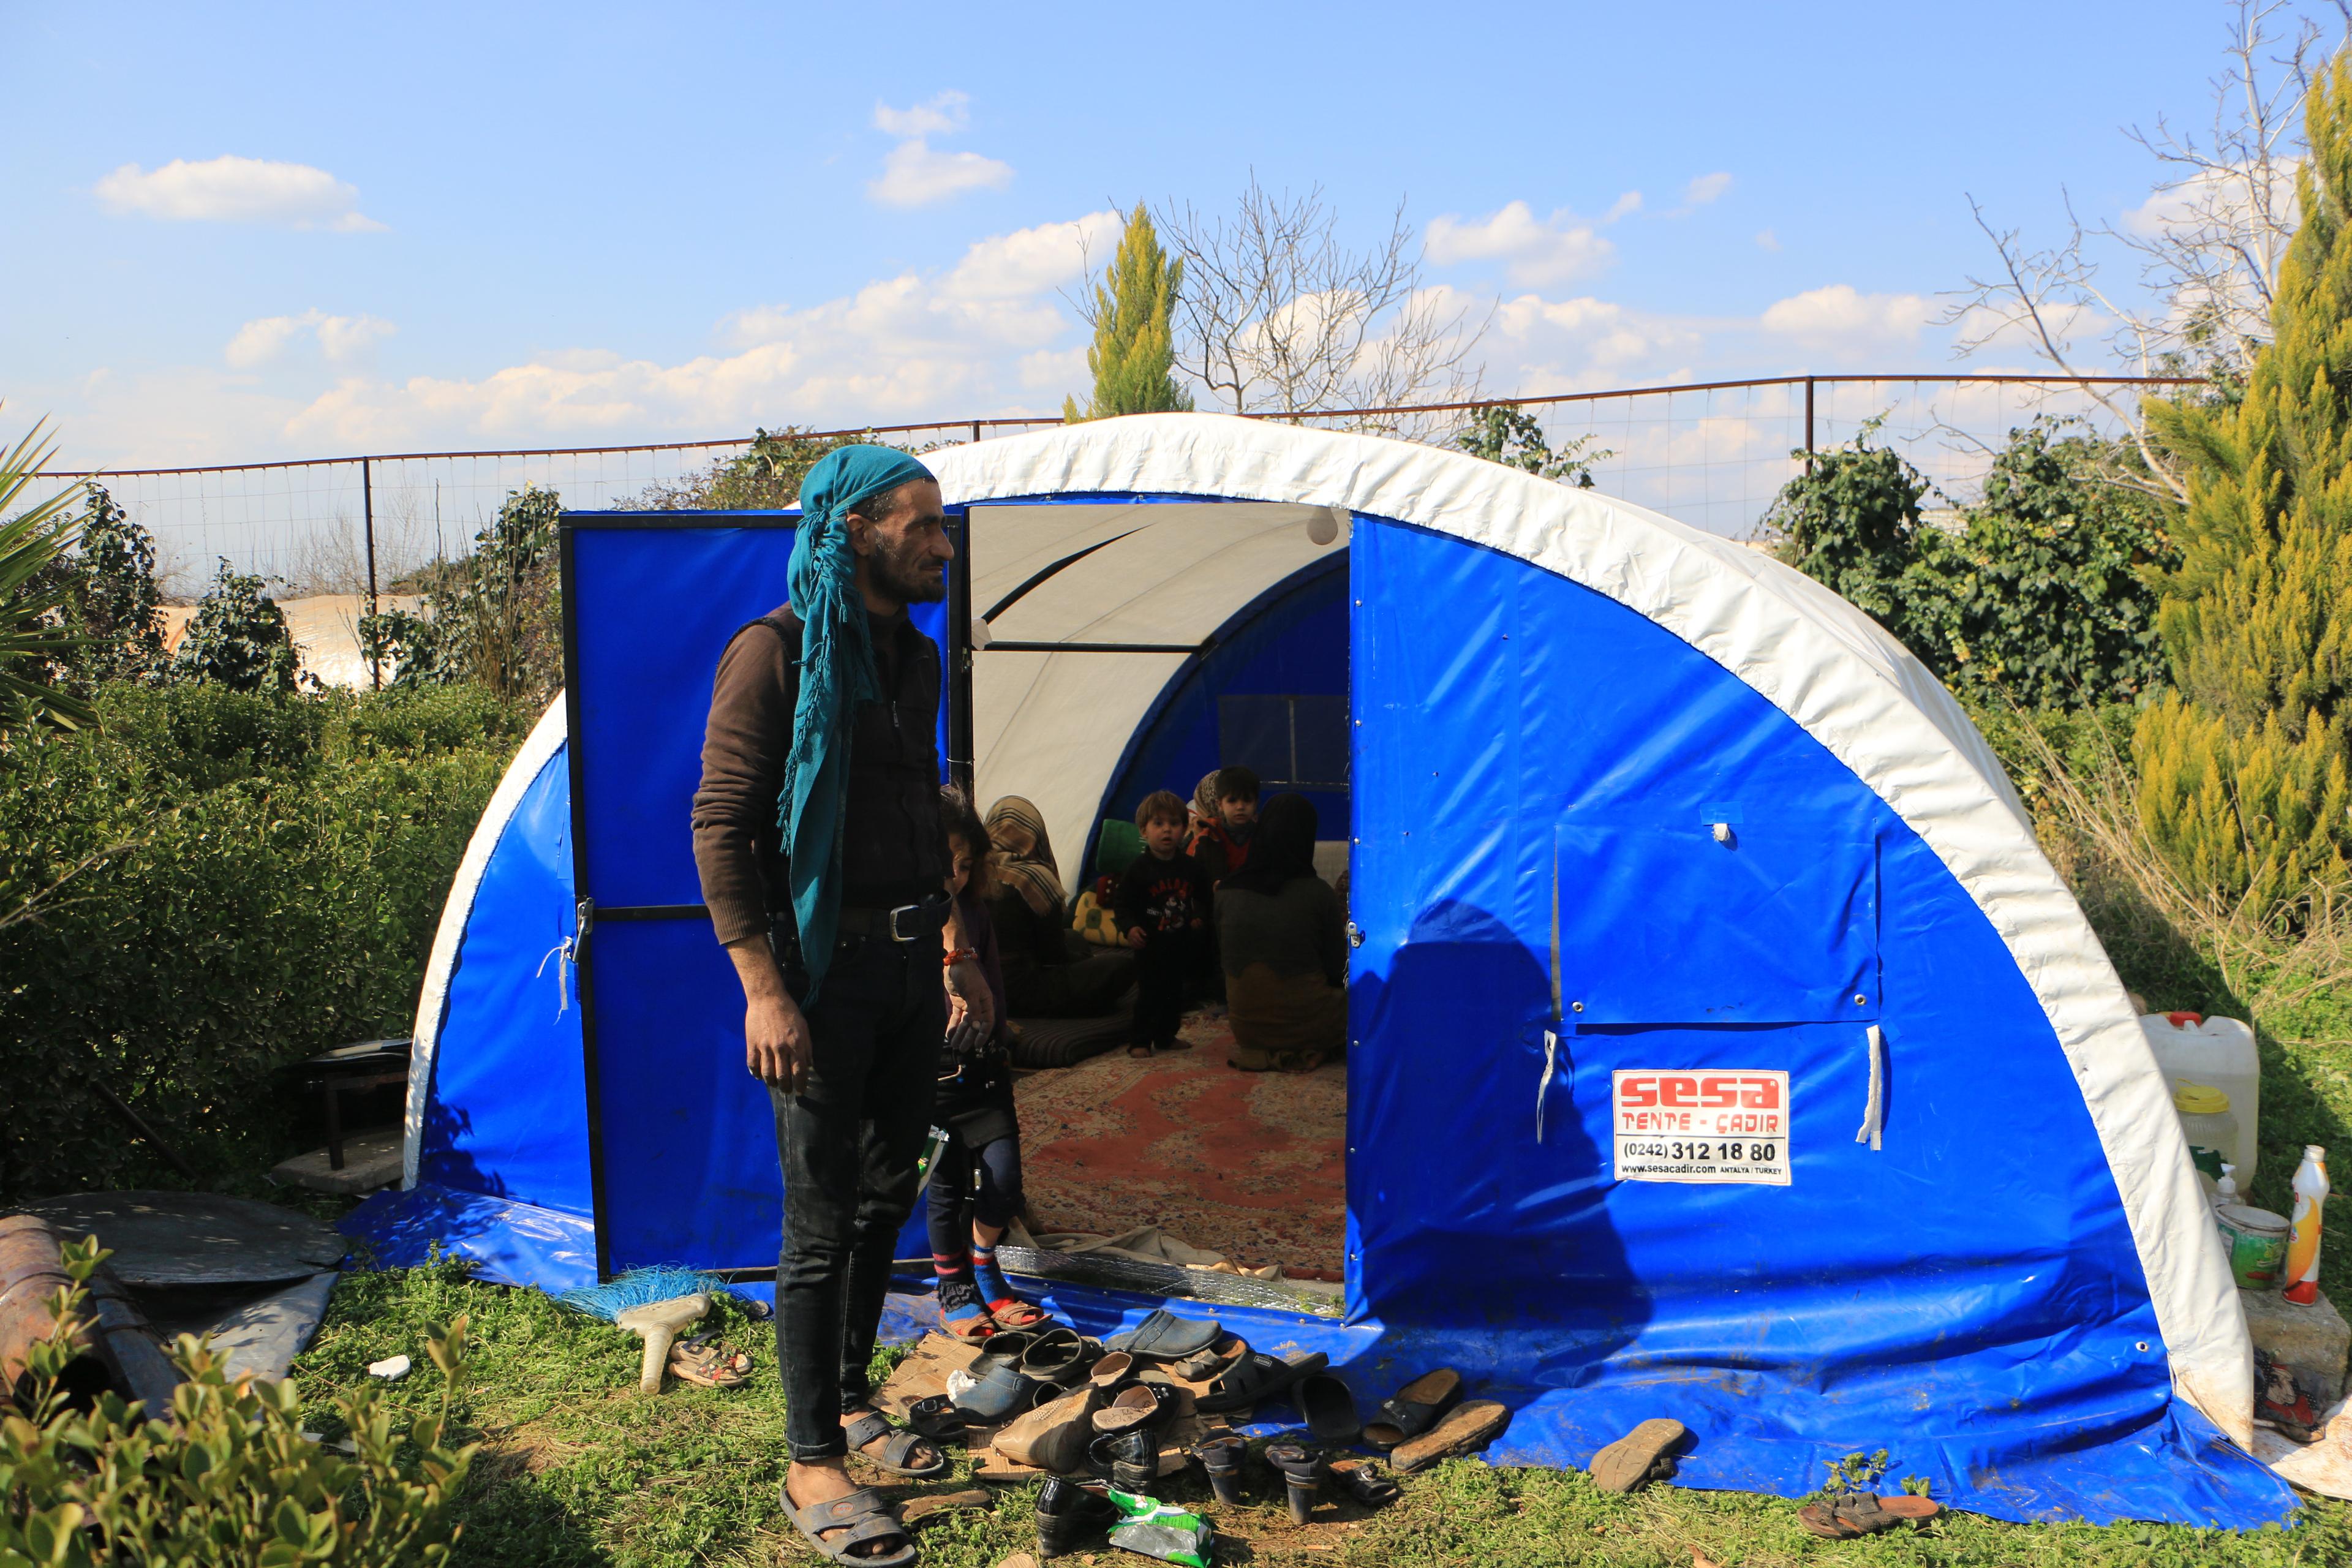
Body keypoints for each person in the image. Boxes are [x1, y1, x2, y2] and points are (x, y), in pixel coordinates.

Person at [691, 444, 990, 1558]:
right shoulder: (772, 656)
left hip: (914, 964)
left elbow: (926, 804)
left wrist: (954, 941)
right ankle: (811, 1457)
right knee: (818, 1225)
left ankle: (854, 1397)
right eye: (924, 526)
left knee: (882, 1198)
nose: (944, 545)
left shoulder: (914, 661)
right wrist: (764, 988)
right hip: (821, 976)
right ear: (859, 530)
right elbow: (720, 823)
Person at [927, 787, 1049, 1340]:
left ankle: (983, 1260)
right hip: (932, 1077)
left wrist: (1001, 1039)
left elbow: (993, 985)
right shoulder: (903, 920)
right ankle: (952, 1284)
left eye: (964, 864)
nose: (953, 876)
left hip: (985, 1070)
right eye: (942, 864)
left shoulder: (976, 913)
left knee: (1005, 1181)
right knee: (945, 1186)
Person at [1216, 792, 1347, 1072]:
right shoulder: (1318, 894)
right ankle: (1311, 1050)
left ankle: (1273, 1052)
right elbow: (1337, 969)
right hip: (1312, 1027)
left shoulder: (1226, 892)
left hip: (1247, 1031)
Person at [982, 795, 1135, 1017]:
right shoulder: (1036, 879)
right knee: (1121, 967)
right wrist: (1083, 962)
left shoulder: (979, 873)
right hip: (1023, 989)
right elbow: (1053, 956)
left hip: (984, 983)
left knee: (1075, 937)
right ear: (1036, 834)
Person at [1114, 790, 1213, 1058]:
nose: (1166, 830)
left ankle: (1167, 1037)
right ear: (1144, 830)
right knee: (1149, 994)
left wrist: (1199, 916)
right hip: (1149, 947)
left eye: (1174, 823)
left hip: (1180, 944)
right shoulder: (1138, 869)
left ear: (1185, 828)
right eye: (1158, 824)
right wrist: (1130, 928)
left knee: (1175, 995)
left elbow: (1205, 898)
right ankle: (1140, 1041)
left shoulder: (1191, 868)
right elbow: (1122, 904)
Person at [1189, 765, 1261, 886]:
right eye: (1232, 801)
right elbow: (1190, 881)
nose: (1240, 807)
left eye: (1247, 800)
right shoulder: (1205, 840)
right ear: (1220, 804)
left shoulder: (1264, 838)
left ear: (1256, 804)